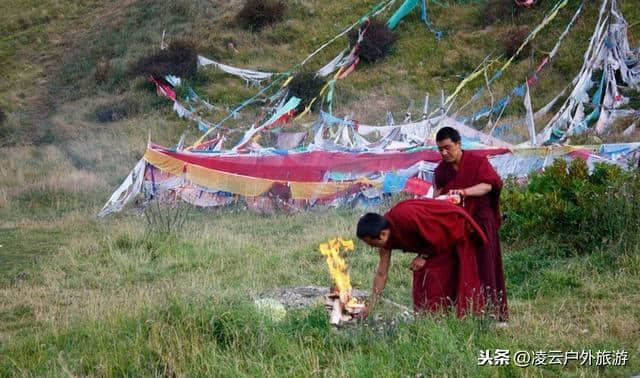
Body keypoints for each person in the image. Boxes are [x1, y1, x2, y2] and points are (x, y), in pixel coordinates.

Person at [356, 199, 488, 319]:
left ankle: (440, 319)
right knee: (420, 277)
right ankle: (425, 318)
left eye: (372, 244)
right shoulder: (384, 240)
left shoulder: (404, 216)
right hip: (433, 245)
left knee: (433, 278)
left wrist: (423, 256)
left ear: (383, 234)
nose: (373, 247)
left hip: (453, 232)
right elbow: (381, 273)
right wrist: (371, 306)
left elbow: (438, 232)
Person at [433, 126, 508, 321]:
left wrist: (464, 192)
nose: (444, 153)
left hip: (482, 221)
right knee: (459, 264)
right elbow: (438, 194)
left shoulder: (477, 162)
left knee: (486, 264)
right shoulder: (441, 170)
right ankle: (464, 310)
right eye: (440, 149)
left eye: (448, 147)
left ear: (459, 144)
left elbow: (489, 185)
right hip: (457, 224)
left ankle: (494, 312)